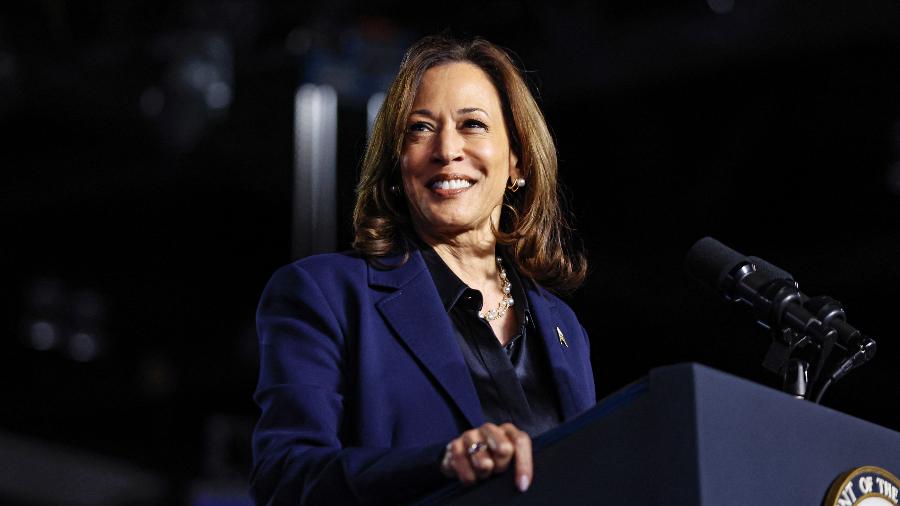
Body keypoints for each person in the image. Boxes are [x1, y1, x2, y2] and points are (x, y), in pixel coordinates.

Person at [251, 34, 595, 505]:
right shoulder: (324, 293)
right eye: (420, 129)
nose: (446, 149)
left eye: (472, 124)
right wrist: (442, 464)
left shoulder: (564, 329)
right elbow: (285, 476)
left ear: (517, 159)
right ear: (398, 165)